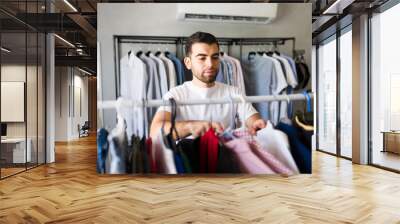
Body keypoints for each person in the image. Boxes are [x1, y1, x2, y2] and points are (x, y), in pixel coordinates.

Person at [150, 31, 266, 139]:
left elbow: (253, 120)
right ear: (188, 63)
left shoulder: (234, 93)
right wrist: (190, 127)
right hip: (188, 159)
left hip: (223, 158)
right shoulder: (176, 95)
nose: (210, 64)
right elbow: (155, 132)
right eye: (202, 58)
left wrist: (257, 124)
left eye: (214, 57)